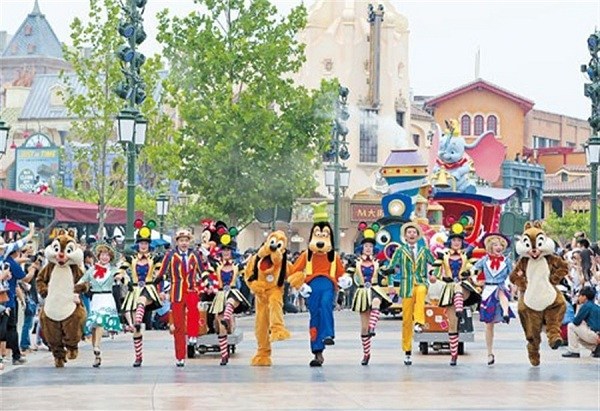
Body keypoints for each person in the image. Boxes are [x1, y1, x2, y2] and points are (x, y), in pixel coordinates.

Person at [382, 222, 435, 366]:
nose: (411, 234)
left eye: (414, 232)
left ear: (418, 236)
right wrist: (391, 284)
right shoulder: (400, 251)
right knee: (406, 320)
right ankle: (407, 350)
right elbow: (391, 267)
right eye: (409, 232)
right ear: (405, 236)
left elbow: (436, 263)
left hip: (421, 282)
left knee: (422, 291)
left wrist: (432, 274)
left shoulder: (424, 250)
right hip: (406, 286)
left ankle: (419, 322)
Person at [156, 229, 205, 367]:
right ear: (177, 242)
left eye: (186, 240)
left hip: (191, 290)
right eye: (181, 240)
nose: (184, 243)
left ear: (189, 242)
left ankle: (193, 336)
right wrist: (160, 290)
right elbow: (160, 274)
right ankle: (180, 356)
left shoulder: (194, 255)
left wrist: (208, 284)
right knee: (178, 326)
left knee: (194, 313)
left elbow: (203, 272)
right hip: (176, 292)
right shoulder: (170, 256)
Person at [432, 230, 481, 366]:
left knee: (459, 288)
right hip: (448, 288)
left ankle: (460, 309)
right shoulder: (443, 255)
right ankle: (454, 355)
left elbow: (476, 268)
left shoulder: (466, 255)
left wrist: (469, 272)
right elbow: (434, 271)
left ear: (461, 243)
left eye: (459, 241)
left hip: (463, 286)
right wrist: (440, 277)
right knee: (452, 324)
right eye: (454, 240)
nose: (456, 243)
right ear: (450, 242)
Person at [121, 229, 164, 367]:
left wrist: (160, 286)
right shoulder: (130, 259)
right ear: (137, 244)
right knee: (136, 330)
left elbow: (161, 273)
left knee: (142, 302)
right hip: (133, 290)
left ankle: (139, 320)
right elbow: (120, 271)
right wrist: (124, 279)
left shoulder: (155, 258)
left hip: (149, 289)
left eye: (145, 243)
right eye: (141, 243)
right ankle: (138, 356)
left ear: (149, 244)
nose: (143, 245)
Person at [77, 243, 123, 367]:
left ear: (110, 257)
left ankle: (97, 346)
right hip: (95, 298)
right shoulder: (91, 271)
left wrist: (121, 277)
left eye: (107, 255)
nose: (104, 257)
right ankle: (96, 354)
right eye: (102, 254)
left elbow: (121, 276)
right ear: (98, 256)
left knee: (100, 321)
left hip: (107, 297)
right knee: (94, 326)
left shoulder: (113, 270)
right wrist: (78, 289)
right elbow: (81, 281)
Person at [350, 228, 392, 365]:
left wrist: (393, 269)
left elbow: (385, 272)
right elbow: (348, 275)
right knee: (363, 327)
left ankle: (373, 327)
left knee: (376, 302)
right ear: (362, 248)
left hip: (374, 288)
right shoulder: (355, 262)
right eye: (366, 246)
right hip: (362, 291)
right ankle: (366, 353)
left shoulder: (377, 263)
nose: (368, 248)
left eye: (371, 246)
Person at [472, 233, 515, 366]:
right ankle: (489, 353)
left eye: (501, 245)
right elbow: (474, 270)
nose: (498, 247)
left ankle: (506, 312)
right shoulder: (484, 260)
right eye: (495, 245)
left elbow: (512, 275)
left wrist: (513, 284)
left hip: (500, 287)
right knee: (489, 326)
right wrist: (474, 279)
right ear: (490, 246)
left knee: (501, 292)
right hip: (488, 290)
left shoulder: (506, 261)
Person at [209, 235, 249, 365]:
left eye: (228, 250)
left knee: (231, 303)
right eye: (224, 250)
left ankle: (227, 318)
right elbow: (203, 258)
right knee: (221, 327)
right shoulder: (216, 265)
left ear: (232, 251)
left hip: (233, 292)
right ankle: (224, 356)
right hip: (220, 294)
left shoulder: (237, 265)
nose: (226, 252)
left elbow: (249, 271)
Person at [0, 223, 35, 367]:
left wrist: (31, 233)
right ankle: (10, 355)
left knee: (7, 329)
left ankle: (10, 355)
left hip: (6, 299)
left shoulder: (7, 259)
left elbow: (19, 243)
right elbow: (24, 278)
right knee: (8, 329)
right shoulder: (8, 262)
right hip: (6, 301)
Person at [562, 286, 600, 358]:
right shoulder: (595, 306)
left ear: (584, 297)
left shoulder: (586, 306)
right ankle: (596, 349)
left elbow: (576, 322)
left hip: (596, 336)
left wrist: (578, 306)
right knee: (577, 336)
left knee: (571, 326)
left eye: (579, 296)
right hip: (597, 335)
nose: (578, 298)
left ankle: (573, 351)